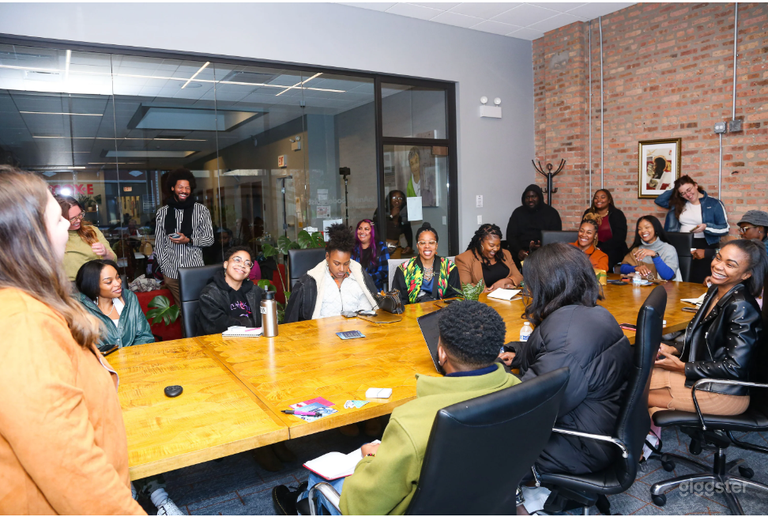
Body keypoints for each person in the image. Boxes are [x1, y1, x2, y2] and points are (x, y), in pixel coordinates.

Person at [273, 300, 520, 515]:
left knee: (320, 475)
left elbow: (361, 507)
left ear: (441, 353)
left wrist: (369, 461)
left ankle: (299, 504)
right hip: (484, 495)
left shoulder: (411, 422)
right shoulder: (518, 388)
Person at [0, 166, 144, 514]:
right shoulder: (24, 324)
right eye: (56, 216)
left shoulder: (27, 306)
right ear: (30, 235)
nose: (67, 224)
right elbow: (69, 464)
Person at [499, 243, 632, 475]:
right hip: (600, 424)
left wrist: (492, 372)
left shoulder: (564, 340)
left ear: (546, 285)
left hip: (579, 445)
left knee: (477, 440)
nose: (525, 288)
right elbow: (561, 356)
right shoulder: (593, 313)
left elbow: (526, 406)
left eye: (528, 282)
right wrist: (519, 353)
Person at [649, 239, 766, 416]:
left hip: (725, 393)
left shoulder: (741, 306)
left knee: (633, 393)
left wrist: (682, 367)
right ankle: (648, 437)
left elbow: (735, 367)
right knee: (637, 376)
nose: (718, 266)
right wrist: (673, 348)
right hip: (706, 379)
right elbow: (703, 337)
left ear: (746, 274)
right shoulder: (714, 291)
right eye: (718, 258)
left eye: (730, 264)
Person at [284, 223, 378, 323]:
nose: (342, 269)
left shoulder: (360, 277)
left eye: (346, 263)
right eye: (336, 263)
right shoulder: (310, 283)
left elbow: (369, 312)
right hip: (322, 335)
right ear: (327, 257)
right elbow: (292, 323)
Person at [154, 167, 214, 310]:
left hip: (195, 272)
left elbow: (209, 239)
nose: (184, 191)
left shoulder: (201, 211)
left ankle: (197, 333)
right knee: (183, 311)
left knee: (198, 309)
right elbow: (159, 244)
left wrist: (189, 240)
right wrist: (165, 270)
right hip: (172, 274)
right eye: (180, 187)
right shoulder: (162, 213)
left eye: (187, 188)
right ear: (173, 187)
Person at [654, 175, 729, 284]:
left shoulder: (714, 204)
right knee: (681, 278)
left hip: (704, 245)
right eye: (683, 193)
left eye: (689, 190)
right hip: (682, 244)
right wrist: (676, 189)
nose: (688, 195)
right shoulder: (679, 203)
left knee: (698, 279)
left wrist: (706, 227)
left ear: (696, 185)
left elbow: (725, 228)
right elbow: (659, 200)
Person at [75, 259, 155, 349]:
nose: (118, 283)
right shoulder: (79, 307)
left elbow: (145, 336)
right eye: (109, 282)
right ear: (92, 286)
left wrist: (131, 357)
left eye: (118, 277)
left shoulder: (129, 298)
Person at [197, 246, 264, 335]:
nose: (242, 265)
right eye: (237, 260)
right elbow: (217, 327)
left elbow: (267, 321)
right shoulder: (209, 295)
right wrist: (248, 323)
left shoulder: (257, 292)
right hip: (220, 344)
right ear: (225, 264)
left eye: (247, 263)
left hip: (255, 343)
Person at [391, 222, 461, 305]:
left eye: (431, 243)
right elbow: (398, 302)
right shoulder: (404, 269)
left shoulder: (449, 267)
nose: (427, 246)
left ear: (436, 245)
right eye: (422, 243)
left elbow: (455, 299)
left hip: (442, 314)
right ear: (417, 246)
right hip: (412, 315)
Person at [57, 195, 117, 282]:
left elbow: (114, 259)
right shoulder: (52, 238)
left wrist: (106, 253)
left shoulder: (92, 231)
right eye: (72, 218)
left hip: (96, 284)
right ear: (59, 219)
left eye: (80, 215)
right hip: (69, 288)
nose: (78, 220)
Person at [505, 184, 562, 268]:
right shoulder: (518, 213)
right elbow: (511, 236)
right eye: (527, 197)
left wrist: (541, 246)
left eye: (534, 196)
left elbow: (556, 237)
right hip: (521, 252)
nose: (530, 200)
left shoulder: (551, 213)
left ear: (540, 197)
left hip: (544, 252)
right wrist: (519, 250)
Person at [455, 223, 523, 292]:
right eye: (492, 245)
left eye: (498, 245)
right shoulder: (463, 259)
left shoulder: (505, 254)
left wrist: (505, 282)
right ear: (480, 241)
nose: (496, 249)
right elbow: (465, 286)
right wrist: (491, 290)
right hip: (482, 300)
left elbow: (519, 277)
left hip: (508, 299)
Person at [620, 215, 680, 281]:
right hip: (641, 288)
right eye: (640, 229)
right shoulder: (637, 250)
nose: (643, 231)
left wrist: (655, 255)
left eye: (647, 227)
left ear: (656, 228)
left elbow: (668, 276)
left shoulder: (668, 249)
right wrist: (636, 268)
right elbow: (622, 268)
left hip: (664, 289)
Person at [582, 189, 628, 270]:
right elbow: (583, 231)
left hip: (613, 249)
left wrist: (601, 248)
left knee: (603, 261)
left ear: (609, 200)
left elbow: (619, 238)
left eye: (602, 197)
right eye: (596, 198)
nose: (599, 200)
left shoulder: (617, 214)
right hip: (591, 248)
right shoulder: (588, 213)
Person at [351, 219, 390, 291]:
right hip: (354, 288)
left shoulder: (381, 247)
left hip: (373, 289)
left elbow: (384, 272)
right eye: (360, 228)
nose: (362, 232)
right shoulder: (352, 248)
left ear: (372, 232)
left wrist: (365, 278)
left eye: (366, 229)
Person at [374, 189, 412, 259]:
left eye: (400, 198)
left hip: (396, 245)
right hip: (382, 245)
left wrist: (409, 245)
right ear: (389, 199)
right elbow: (377, 225)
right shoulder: (381, 210)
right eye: (394, 198)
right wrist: (391, 216)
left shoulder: (403, 213)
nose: (397, 200)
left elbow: (407, 229)